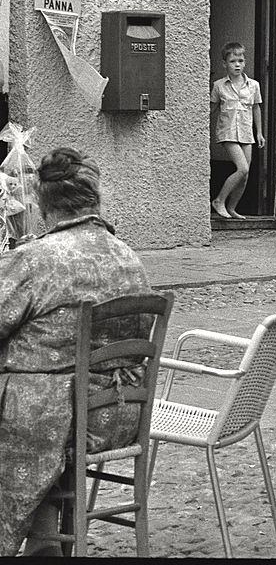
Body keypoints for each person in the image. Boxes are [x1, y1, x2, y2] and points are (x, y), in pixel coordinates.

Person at [0, 147, 152, 557]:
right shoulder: (128, 256)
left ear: (41, 204)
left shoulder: (36, 258)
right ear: (93, 199)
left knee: (25, 398)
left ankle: (39, 542)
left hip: (53, 421)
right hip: (116, 413)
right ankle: (45, 544)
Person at [210, 41, 265, 220]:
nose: (237, 65)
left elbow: (256, 108)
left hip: (246, 133)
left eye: (240, 61)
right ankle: (219, 201)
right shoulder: (219, 85)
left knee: (245, 174)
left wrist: (259, 133)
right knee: (241, 168)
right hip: (227, 132)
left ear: (245, 62)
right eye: (233, 61)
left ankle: (232, 208)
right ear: (225, 64)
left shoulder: (253, 85)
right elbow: (212, 108)